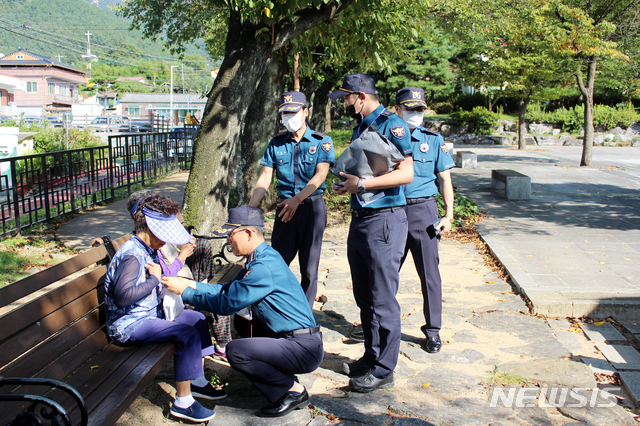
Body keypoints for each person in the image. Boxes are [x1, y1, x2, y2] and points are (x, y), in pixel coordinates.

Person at [163, 206, 324, 418]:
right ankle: (281, 377)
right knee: (241, 323)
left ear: (248, 233)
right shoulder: (261, 257)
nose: (227, 241)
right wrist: (188, 284)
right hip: (293, 340)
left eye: (230, 235)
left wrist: (185, 293)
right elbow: (225, 290)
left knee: (236, 351)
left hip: (303, 348)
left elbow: (226, 304)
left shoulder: (262, 267)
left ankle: (291, 390)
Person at [104, 193, 225, 423]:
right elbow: (122, 298)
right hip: (129, 325)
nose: (164, 241)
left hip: (148, 317)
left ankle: (197, 381)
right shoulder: (132, 255)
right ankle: (183, 403)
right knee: (185, 334)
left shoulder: (146, 247)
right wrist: (154, 280)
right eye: (162, 235)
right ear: (148, 227)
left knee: (196, 319)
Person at [328, 73, 414, 392]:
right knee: (364, 295)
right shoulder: (362, 125)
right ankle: (371, 354)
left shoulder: (392, 125)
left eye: (347, 98)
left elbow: (407, 173)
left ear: (361, 96)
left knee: (382, 297)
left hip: (385, 220)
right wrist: (349, 185)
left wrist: (362, 184)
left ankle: (384, 369)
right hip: (361, 217)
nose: (344, 104)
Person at [248, 91, 335, 307]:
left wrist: (297, 199)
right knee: (276, 262)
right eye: (284, 113)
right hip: (285, 210)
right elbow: (266, 176)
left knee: (309, 267)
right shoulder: (276, 143)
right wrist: (250, 209)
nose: (288, 117)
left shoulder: (322, 141)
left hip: (311, 209)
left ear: (305, 112)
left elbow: (321, 174)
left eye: (293, 112)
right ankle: (276, 308)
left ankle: (305, 315)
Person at [126, 190, 233, 358]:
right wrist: (181, 256)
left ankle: (204, 363)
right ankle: (222, 348)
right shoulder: (142, 248)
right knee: (215, 300)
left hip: (178, 279)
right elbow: (163, 278)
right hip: (169, 290)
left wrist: (185, 242)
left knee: (205, 252)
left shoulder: (151, 241)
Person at [394, 87, 455, 353]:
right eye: (410, 108)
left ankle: (433, 331)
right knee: (385, 272)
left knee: (430, 274)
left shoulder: (433, 139)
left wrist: (449, 215)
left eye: (420, 109)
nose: (416, 113)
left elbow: (445, 179)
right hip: (392, 211)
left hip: (424, 211)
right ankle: (376, 325)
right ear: (397, 109)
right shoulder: (385, 137)